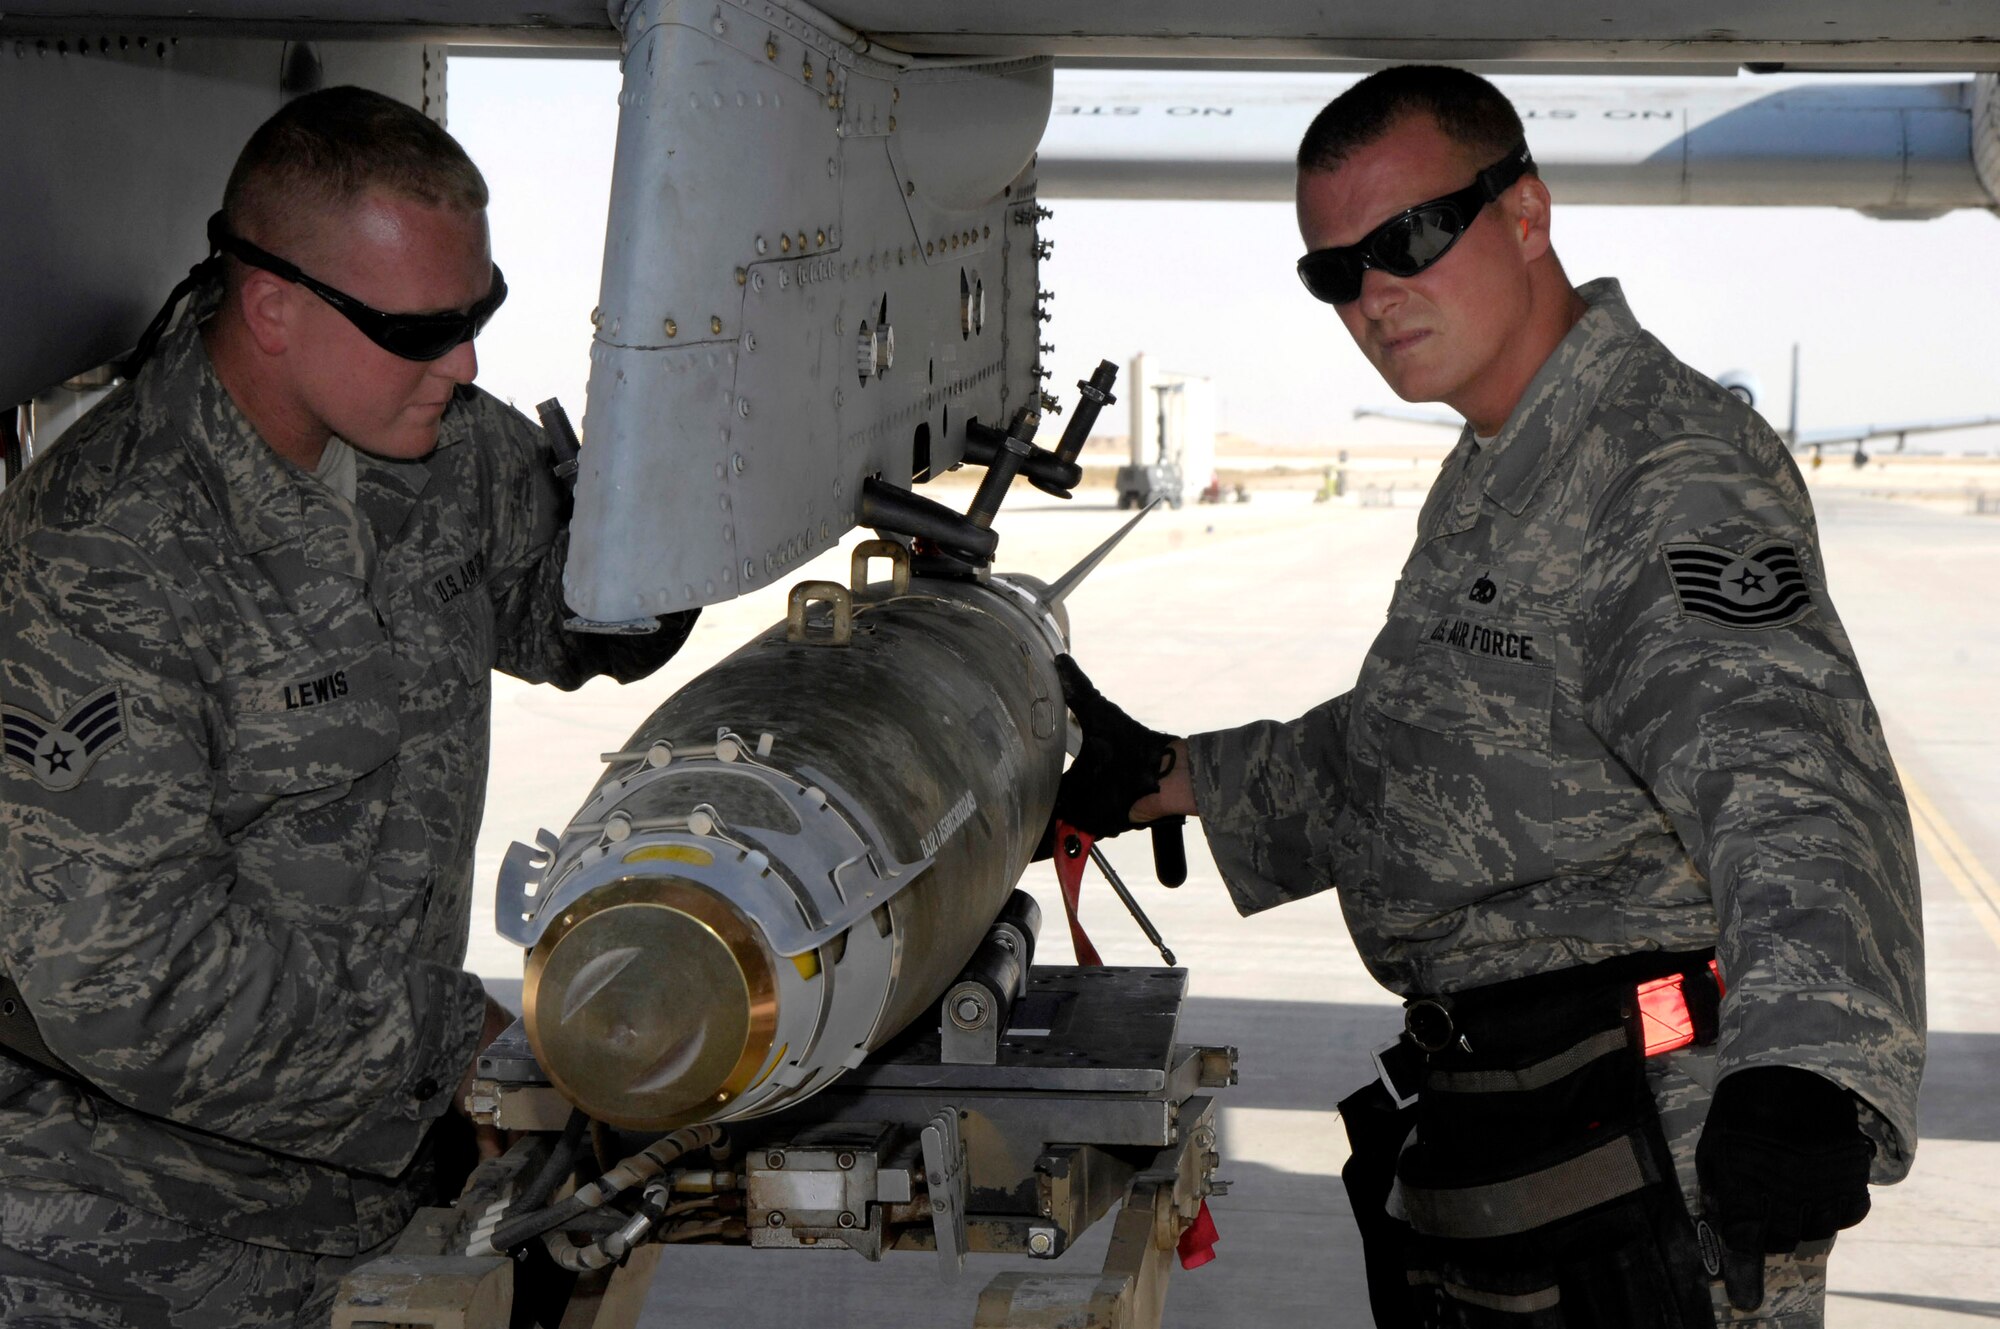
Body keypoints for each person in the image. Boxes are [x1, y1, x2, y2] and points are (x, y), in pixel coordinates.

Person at [1055, 66, 1923, 1328]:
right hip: (1523, 1138)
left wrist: (1801, 1074)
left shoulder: (1656, 468)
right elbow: (1444, 746)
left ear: (1525, 211)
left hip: (1651, 1164)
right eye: (1332, 271)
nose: (1372, 294)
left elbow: (1789, 785)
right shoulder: (1504, 458)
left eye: (1405, 240)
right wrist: (1176, 774)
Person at [0, 86, 697, 1326]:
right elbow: (127, 979)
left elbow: (559, 610)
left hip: (386, 1187)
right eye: (419, 327)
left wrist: (663, 533)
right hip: (128, 1229)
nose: (466, 362)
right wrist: (449, 1060)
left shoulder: (441, 450)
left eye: (476, 316)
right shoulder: (105, 553)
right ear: (271, 307)